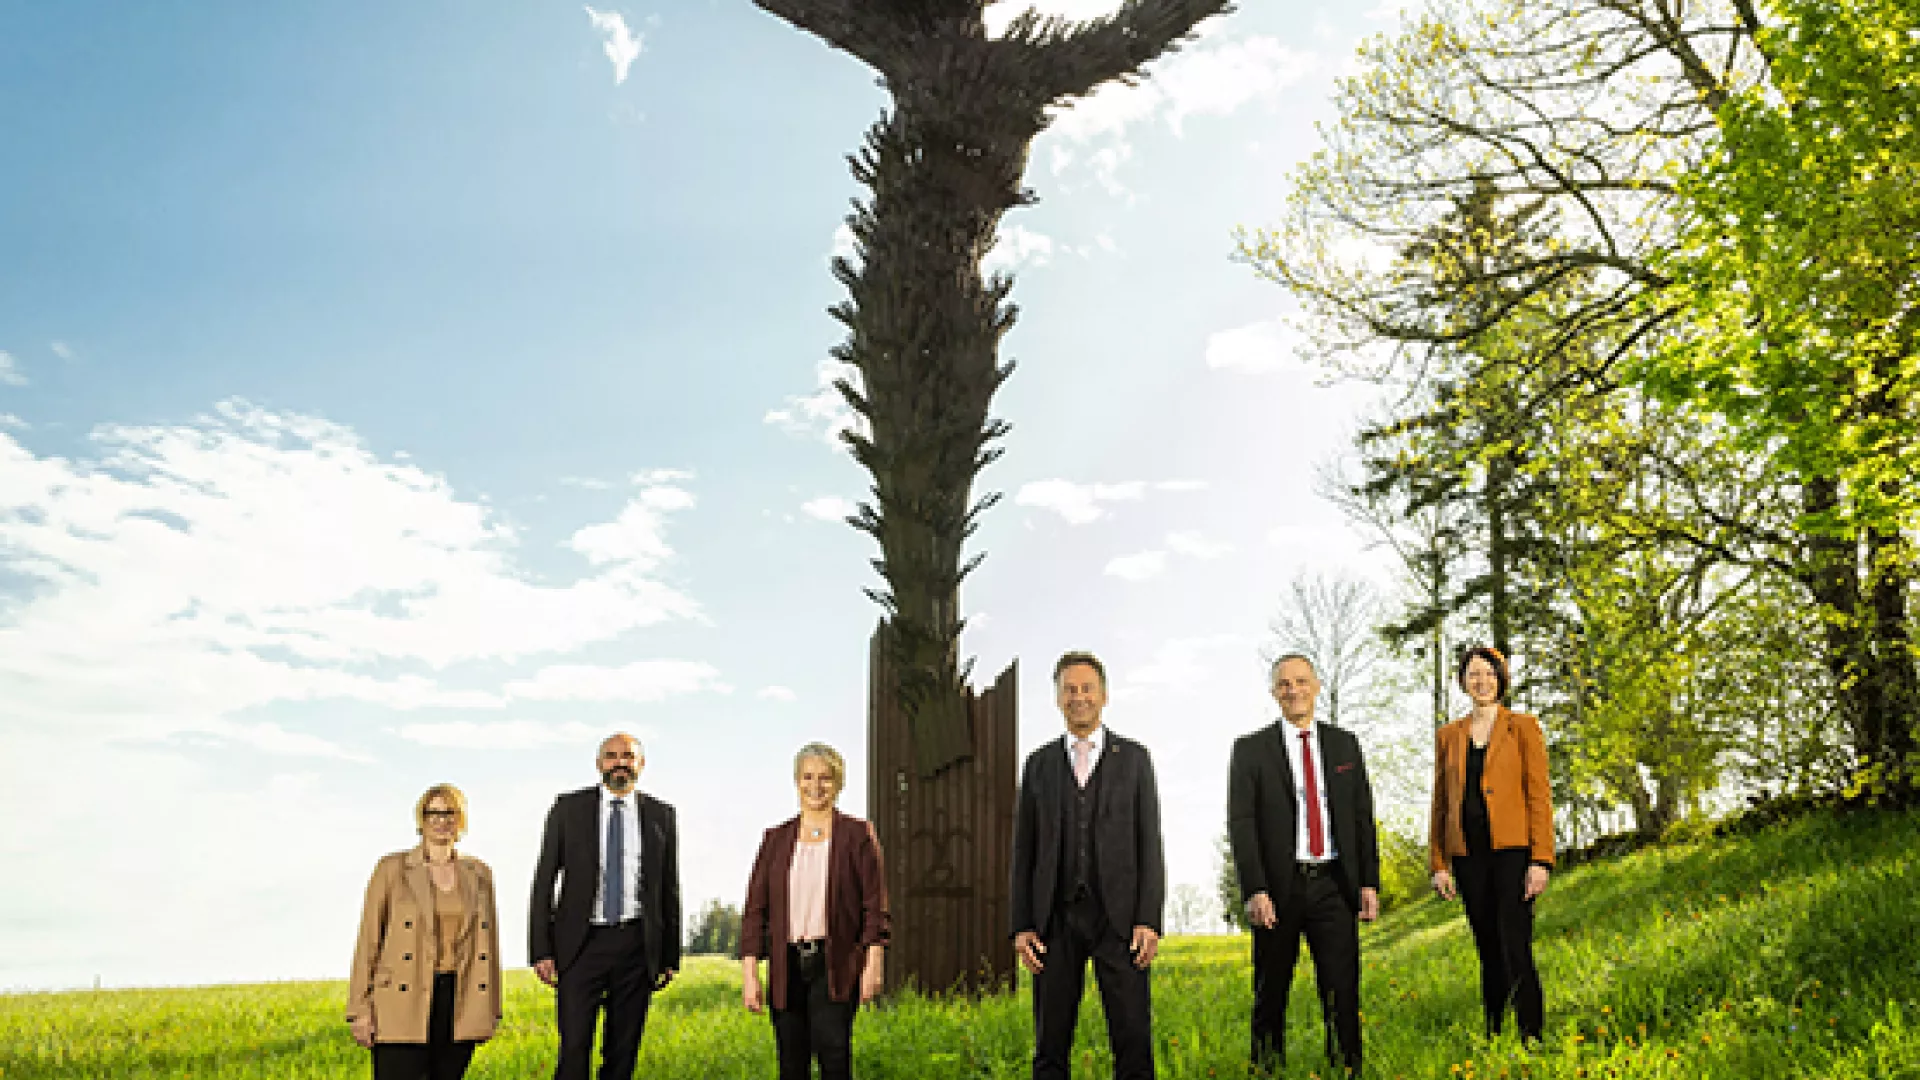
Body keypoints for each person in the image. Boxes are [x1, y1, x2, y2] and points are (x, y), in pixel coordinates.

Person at [1009, 650, 1166, 1080]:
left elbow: (1149, 843)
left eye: (1087, 688)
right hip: (1054, 920)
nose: (1078, 697)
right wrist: (1022, 925)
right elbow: (1023, 850)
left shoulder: (1135, 759)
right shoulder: (1038, 765)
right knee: (1050, 1046)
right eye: (1069, 690)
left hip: (1121, 921)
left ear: (1104, 695)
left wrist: (1149, 919)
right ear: (1058, 698)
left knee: (1133, 1042)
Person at [1227, 653, 1380, 1077]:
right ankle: (1267, 1070)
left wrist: (1368, 882)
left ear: (1316, 686)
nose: (1292, 690)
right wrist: (1255, 889)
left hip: (1334, 884)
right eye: (1283, 684)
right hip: (1278, 889)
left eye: (1300, 681)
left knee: (1342, 990)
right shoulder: (1250, 750)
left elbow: (1361, 817)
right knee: (1270, 991)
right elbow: (1241, 824)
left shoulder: (1345, 745)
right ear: (1274, 692)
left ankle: (1346, 1070)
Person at [529, 733, 682, 1080]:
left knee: (622, 1054)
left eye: (628, 756)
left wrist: (669, 955)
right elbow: (544, 881)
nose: (620, 763)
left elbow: (669, 887)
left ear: (641, 764)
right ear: (599, 764)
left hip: (636, 945)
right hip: (580, 945)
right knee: (574, 1049)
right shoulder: (568, 809)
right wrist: (541, 949)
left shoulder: (661, 815)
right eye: (611, 756)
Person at [740, 742, 891, 1080]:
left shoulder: (857, 835)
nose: (816, 786)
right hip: (786, 966)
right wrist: (750, 974)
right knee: (791, 1065)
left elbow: (875, 907)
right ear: (796, 781)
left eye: (825, 778)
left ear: (838, 783)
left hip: (834, 964)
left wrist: (873, 965)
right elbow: (755, 911)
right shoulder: (775, 839)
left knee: (834, 1057)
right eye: (807, 777)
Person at [1428, 646, 1554, 1043]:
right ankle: (1495, 1034)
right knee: (1487, 948)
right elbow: (1440, 803)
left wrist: (1541, 860)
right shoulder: (1449, 736)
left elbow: (1539, 796)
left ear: (1501, 679)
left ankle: (1531, 1036)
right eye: (1474, 674)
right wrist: (1438, 863)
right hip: (1468, 855)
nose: (1481, 681)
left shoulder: (1523, 727)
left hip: (1513, 852)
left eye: (1489, 673)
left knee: (1515, 945)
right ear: (1463, 681)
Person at [346, 783, 503, 1080]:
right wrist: (359, 1009)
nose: (441, 821)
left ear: (460, 820)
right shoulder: (392, 869)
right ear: (422, 819)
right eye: (433, 813)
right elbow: (368, 940)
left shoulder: (479, 873)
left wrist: (490, 1009)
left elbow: (489, 945)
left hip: (458, 998)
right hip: (401, 1000)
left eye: (449, 813)